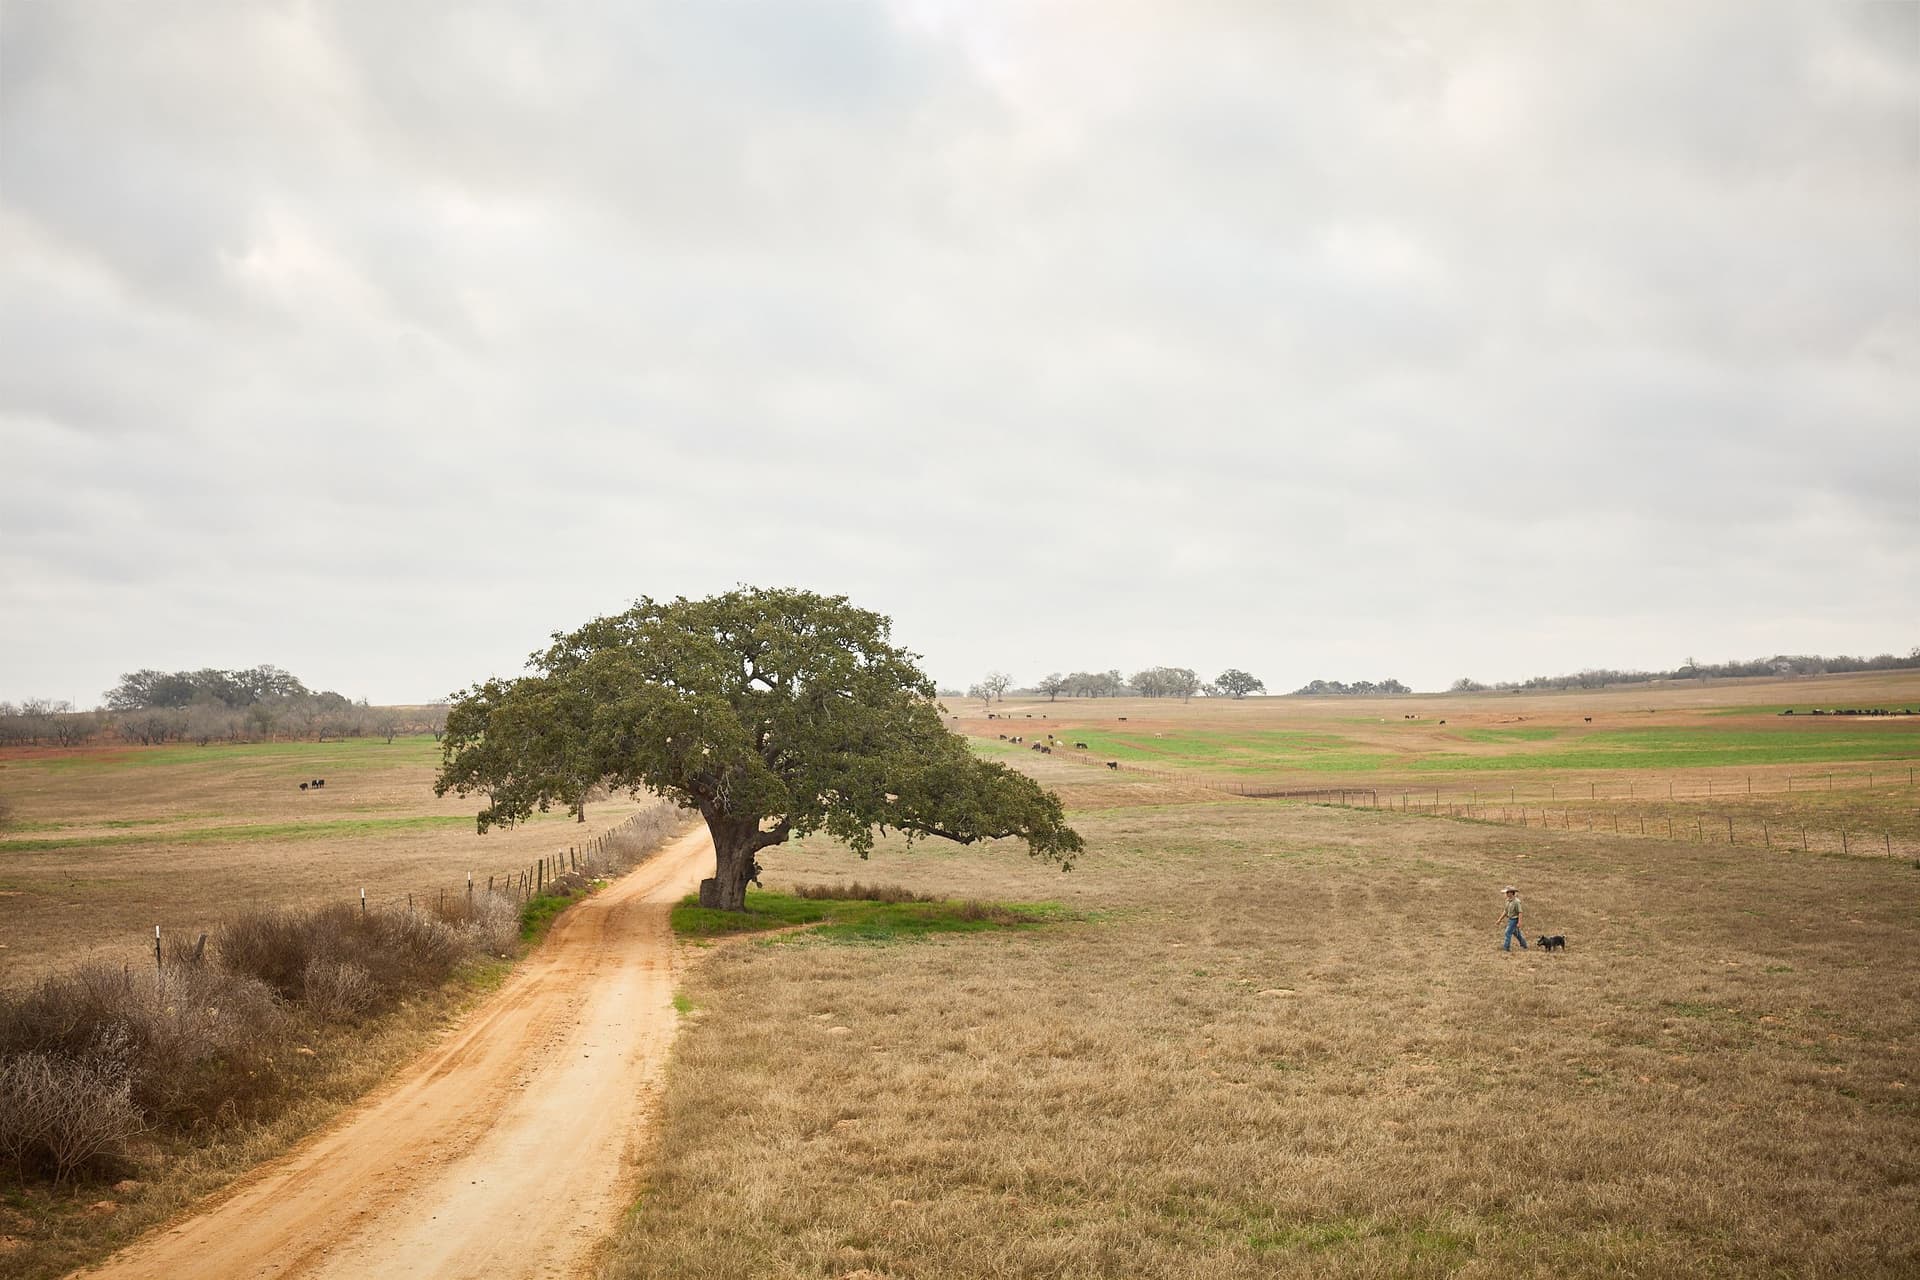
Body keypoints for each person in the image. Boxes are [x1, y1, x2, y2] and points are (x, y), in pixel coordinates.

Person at [1499, 885, 1528, 951]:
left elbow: (1520, 912)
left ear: (1511, 893)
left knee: (1507, 932)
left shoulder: (1517, 902)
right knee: (1516, 933)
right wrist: (1500, 919)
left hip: (1514, 920)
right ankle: (1524, 945)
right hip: (1510, 919)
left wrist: (1519, 922)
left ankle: (1506, 948)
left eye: (1507, 892)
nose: (1506, 894)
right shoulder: (1507, 901)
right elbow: (1505, 911)